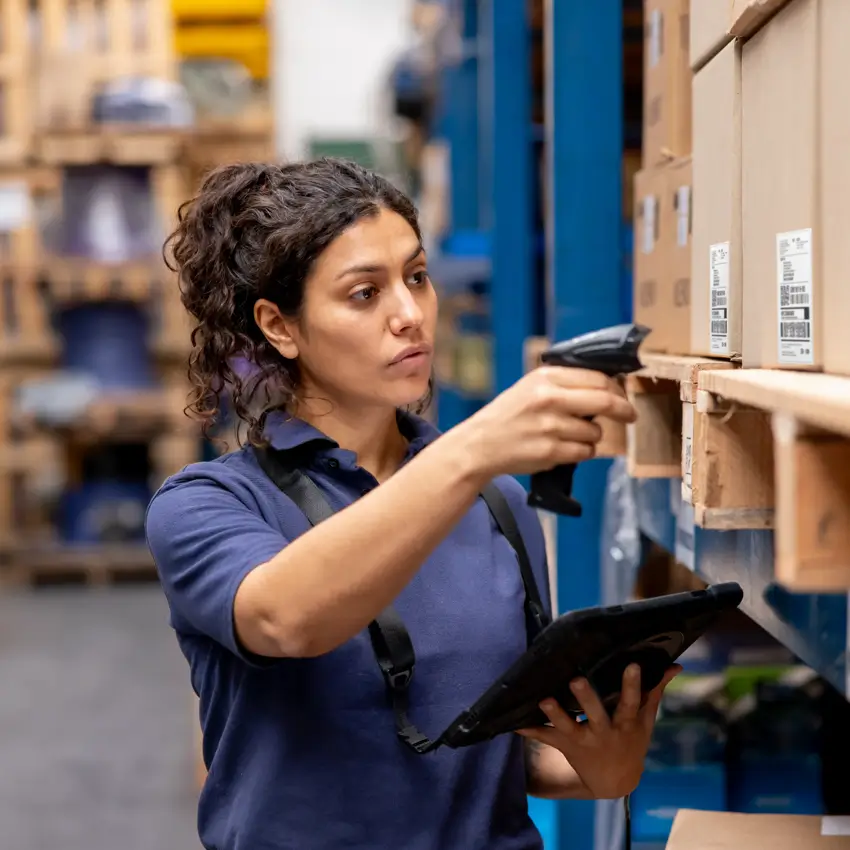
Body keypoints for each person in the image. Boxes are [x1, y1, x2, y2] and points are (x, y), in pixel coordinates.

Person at [145, 158, 680, 850]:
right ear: (281, 327)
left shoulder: (497, 504)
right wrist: (471, 450)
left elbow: (503, 740)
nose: (409, 315)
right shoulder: (208, 505)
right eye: (365, 293)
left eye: (417, 278)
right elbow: (286, 618)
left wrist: (602, 765)